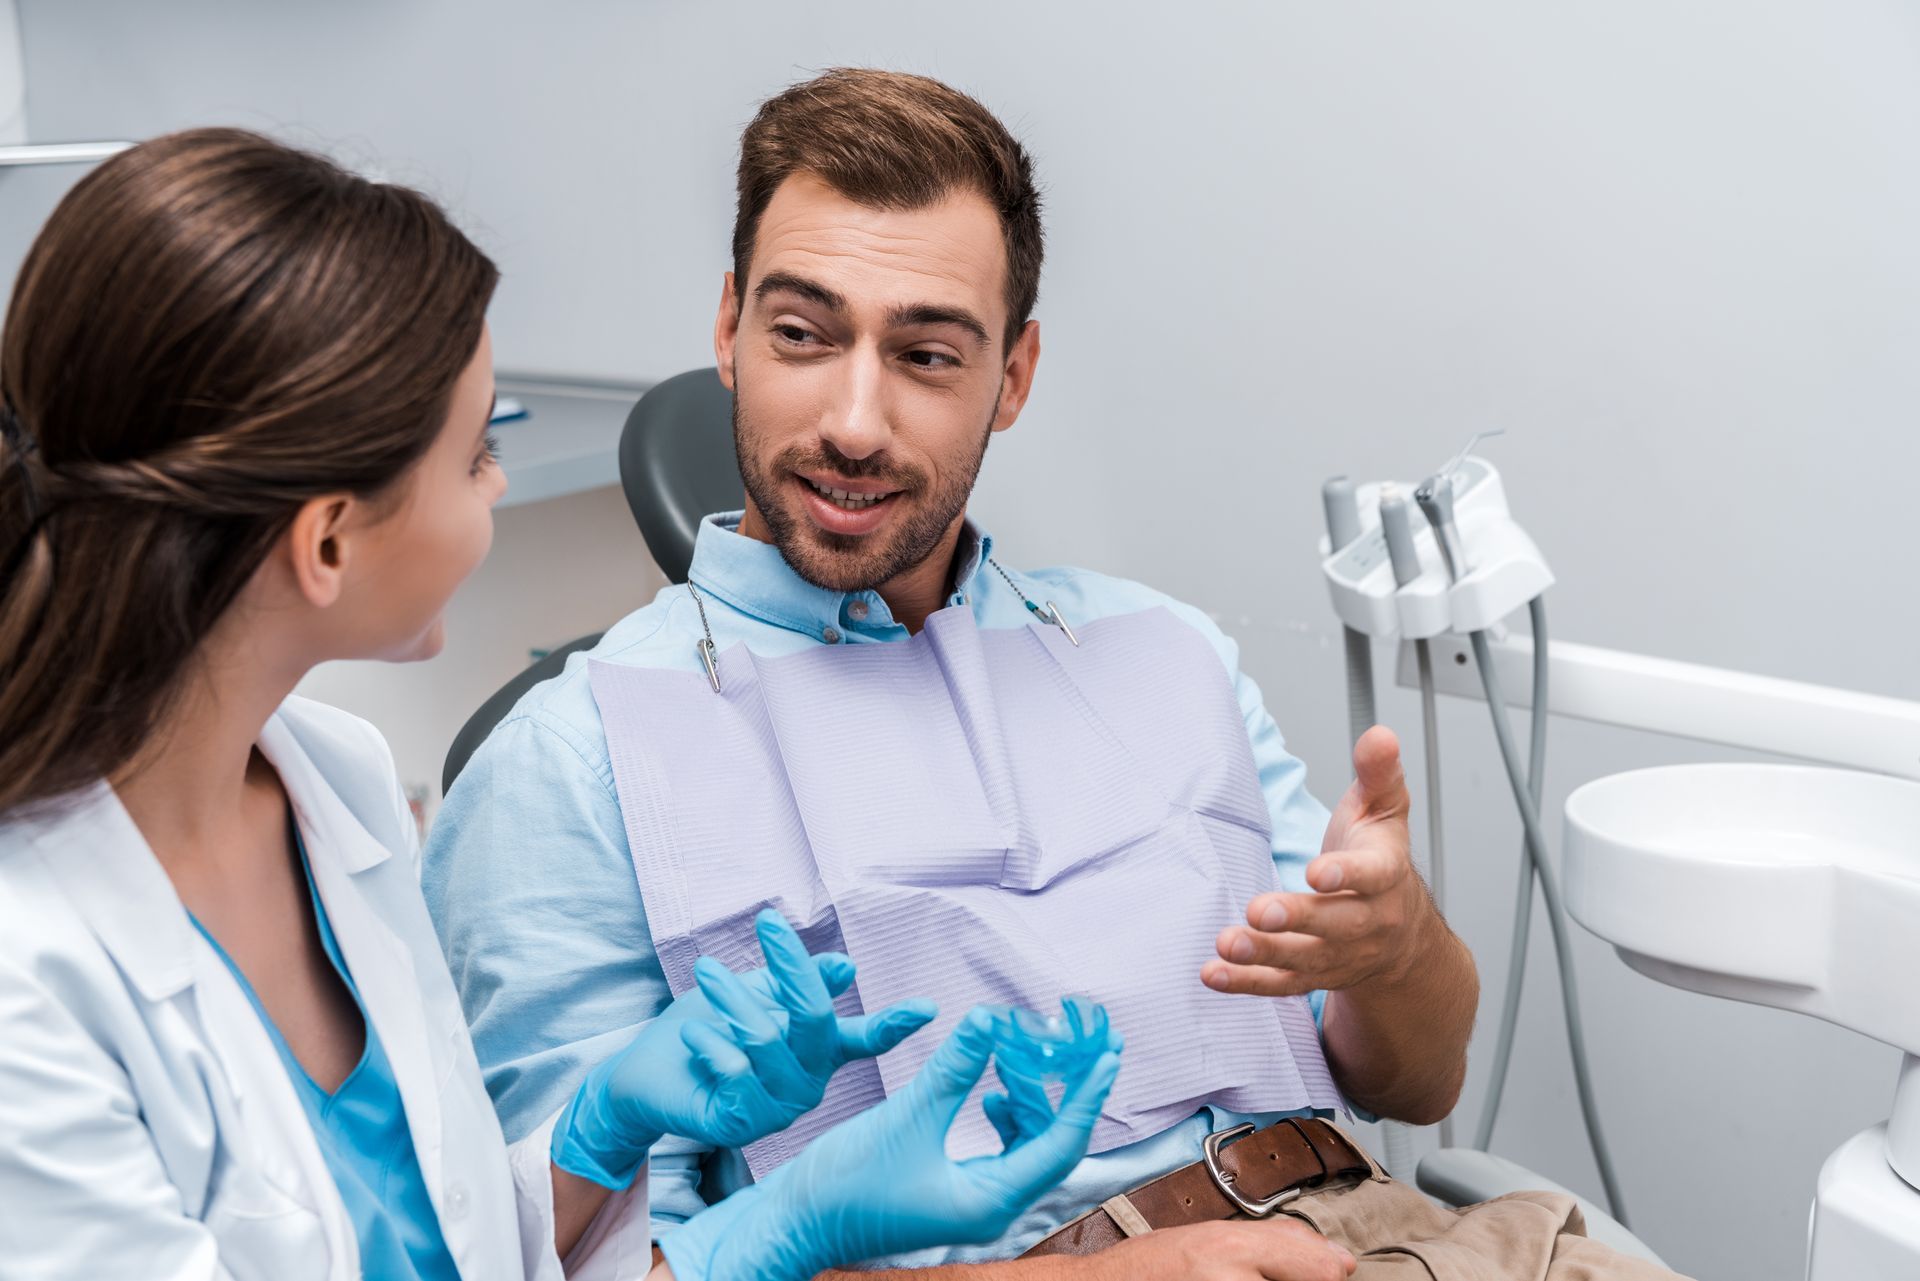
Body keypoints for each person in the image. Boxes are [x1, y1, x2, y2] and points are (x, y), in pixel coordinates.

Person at [427, 69, 1686, 1280]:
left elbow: (1416, 1083)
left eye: (927, 356)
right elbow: (559, 1261)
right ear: (729, 331)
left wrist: (1398, 947)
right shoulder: (578, 758)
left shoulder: (1159, 651)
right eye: (803, 334)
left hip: (1410, 1233)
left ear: (1011, 378)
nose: (855, 420)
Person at [0, 128, 1121, 1281]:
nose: (496, 484)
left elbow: (447, 1251)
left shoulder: (329, 788)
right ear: (329, 541)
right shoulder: (26, 990)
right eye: (477, 451)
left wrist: (600, 1136)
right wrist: (765, 1240)